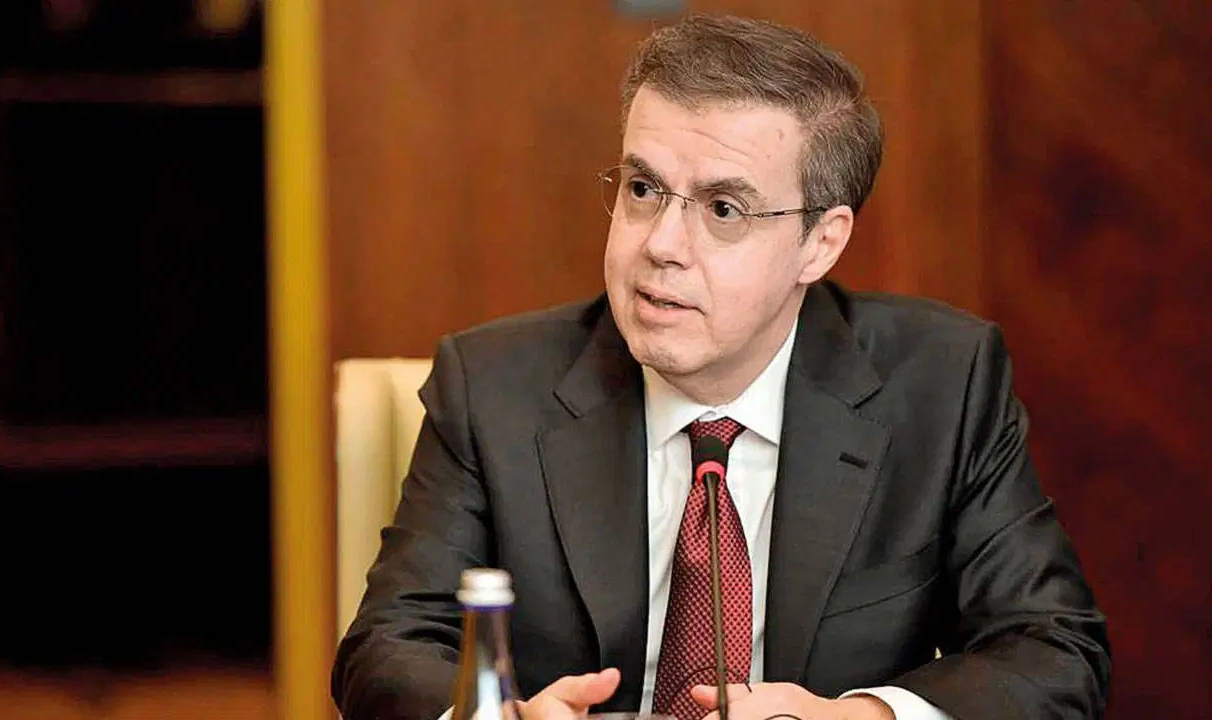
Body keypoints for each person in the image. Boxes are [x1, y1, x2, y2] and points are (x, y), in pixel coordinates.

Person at [332, 14, 1110, 720]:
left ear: (821, 242)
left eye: (723, 209)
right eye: (643, 189)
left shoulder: (941, 385)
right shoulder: (494, 387)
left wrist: (861, 718)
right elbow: (387, 647)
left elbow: (1053, 651)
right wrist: (498, 719)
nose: (661, 244)